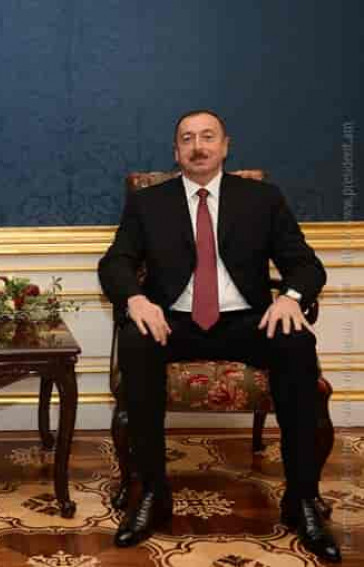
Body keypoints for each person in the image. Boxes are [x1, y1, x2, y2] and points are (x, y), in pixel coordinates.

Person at [98, 110, 341, 562]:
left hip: (247, 322)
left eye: (207, 137)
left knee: (295, 343)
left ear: (225, 145)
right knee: (135, 342)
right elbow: (115, 262)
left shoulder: (262, 198)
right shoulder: (149, 203)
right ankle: (152, 493)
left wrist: (290, 298)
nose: (198, 146)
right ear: (176, 152)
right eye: (187, 139)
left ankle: (302, 498)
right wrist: (135, 299)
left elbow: (307, 264)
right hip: (174, 322)